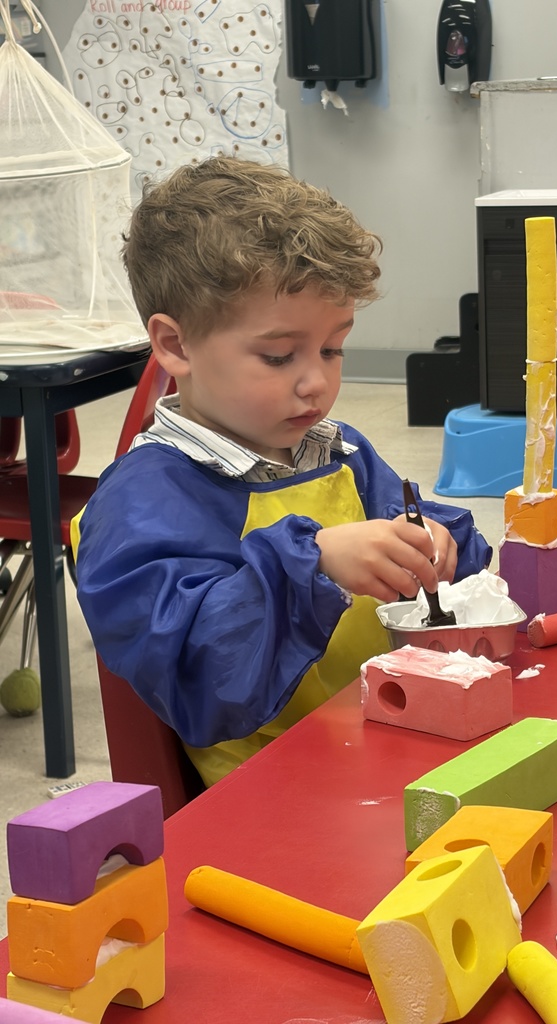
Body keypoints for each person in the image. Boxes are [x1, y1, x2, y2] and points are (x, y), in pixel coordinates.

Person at [74, 156, 491, 787]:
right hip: (273, 800)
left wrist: (435, 544)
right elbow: (204, 680)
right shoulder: (142, 500)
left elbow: (429, 557)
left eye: (333, 348)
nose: (317, 382)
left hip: (394, 750)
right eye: (278, 356)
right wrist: (313, 563)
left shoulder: (338, 450)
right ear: (176, 346)